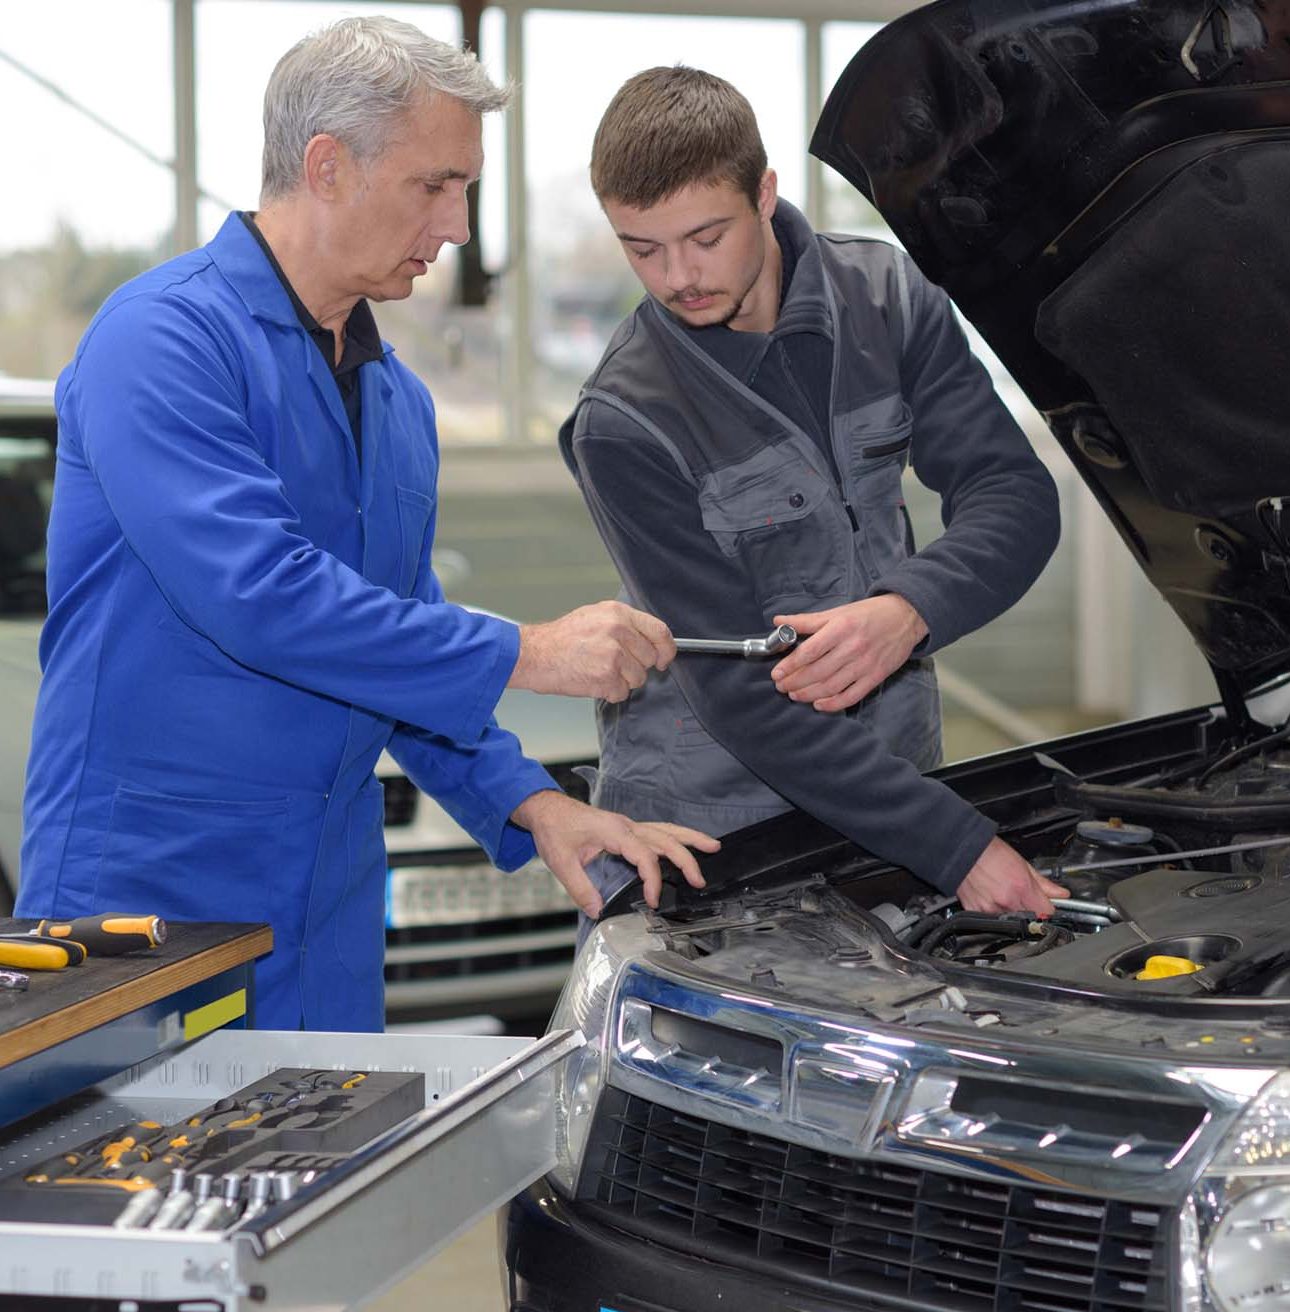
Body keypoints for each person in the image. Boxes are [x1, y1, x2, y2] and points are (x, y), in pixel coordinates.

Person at [16, 20, 718, 1032]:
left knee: (323, 1185)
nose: (460, 226)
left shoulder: (396, 402)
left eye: (465, 188)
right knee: (148, 1192)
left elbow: (392, 639)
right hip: (151, 901)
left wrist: (532, 803)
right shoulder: (162, 341)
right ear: (328, 166)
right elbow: (261, 597)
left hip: (329, 912)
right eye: (435, 185)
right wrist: (530, 650)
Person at [560, 66, 1067, 920]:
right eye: (641, 248)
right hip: (708, 835)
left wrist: (907, 608)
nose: (677, 275)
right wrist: (958, 846)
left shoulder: (888, 300)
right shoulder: (624, 419)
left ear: (763, 192)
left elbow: (1013, 493)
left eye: (704, 236)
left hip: (893, 788)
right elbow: (742, 698)